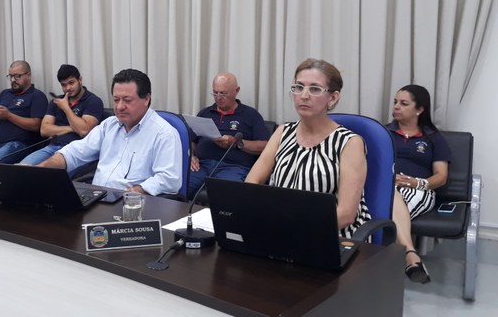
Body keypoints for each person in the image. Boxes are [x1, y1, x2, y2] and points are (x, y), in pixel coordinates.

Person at [246, 58, 370, 238]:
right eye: (298, 87)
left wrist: (295, 230)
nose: (304, 95)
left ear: (333, 98)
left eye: (315, 89)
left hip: (331, 235)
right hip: (280, 229)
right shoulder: (283, 132)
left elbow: (345, 214)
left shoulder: (350, 143)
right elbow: (252, 183)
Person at [38, 69, 182, 195]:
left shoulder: (164, 134)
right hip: (98, 198)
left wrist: (135, 191)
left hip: (134, 205)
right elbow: (74, 153)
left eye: (127, 100)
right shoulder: (109, 125)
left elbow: (169, 180)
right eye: (116, 100)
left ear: (146, 99)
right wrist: (39, 169)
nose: (119, 107)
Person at [387, 84, 451, 284]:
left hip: (420, 189)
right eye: (395, 102)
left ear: (419, 109)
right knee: (389, 197)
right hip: (387, 186)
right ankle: (411, 256)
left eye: (403, 103)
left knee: (385, 209)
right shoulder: (384, 132)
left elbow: (441, 176)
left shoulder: (433, 138)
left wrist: (418, 183)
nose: (396, 106)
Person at [186, 72, 270, 199]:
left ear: (236, 91)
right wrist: (191, 155)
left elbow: (265, 146)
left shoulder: (251, 115)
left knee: (227, 198)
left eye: (223, 93)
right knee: (177, 188)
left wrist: (236, 143)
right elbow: (192, 141)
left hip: (233, 167)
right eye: (215, 93)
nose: (218, 98)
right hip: (201, 165)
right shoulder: (205, 113)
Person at [19, 64, 105, 176]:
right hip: (52, 147)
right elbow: (44, 130)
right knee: (20, 170)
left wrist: (66, 108)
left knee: (47, 177)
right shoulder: (57, 101)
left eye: (71, 83)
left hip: (76, 152)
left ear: (80, 80)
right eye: (64, 85)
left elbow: (84, 131)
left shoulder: (93, 101)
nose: (68, 88)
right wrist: (72, 128)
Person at [0, 60, 49, 164]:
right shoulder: (5, 93)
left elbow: (37, 125)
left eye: (17, 76)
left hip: (19, 144)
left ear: (28, 75)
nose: (13, 80)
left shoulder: (37, 96)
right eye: (10, 76)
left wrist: (9, 116)